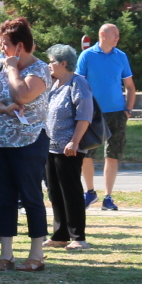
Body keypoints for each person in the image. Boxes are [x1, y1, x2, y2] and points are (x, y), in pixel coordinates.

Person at [0, 19, 50, 270]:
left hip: (29, 141)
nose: (1, 49)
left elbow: (22, 95)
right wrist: (3, 108)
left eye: (5, 45)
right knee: (2, 196)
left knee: (30, 196)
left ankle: (36, 255)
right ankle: (6, 254)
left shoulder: (40, 70)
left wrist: (13, 68)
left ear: (19, 47)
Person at [76, 23, 136, 211]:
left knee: (113, 155)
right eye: (115, 34)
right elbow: (78, 83)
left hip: (117, 113)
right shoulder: (87, 55)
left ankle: (108, 197)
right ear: (103, 34)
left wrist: (128, 109)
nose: (117, 38)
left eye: (118, 35)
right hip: (92, 113)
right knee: (86, 154)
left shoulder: (121, 56)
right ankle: (90, 192)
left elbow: (130, 86)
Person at [42, 43, 96, 249]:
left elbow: (85, 115)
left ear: (63, 63)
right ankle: (60, 234)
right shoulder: (54, 85)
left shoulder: (78, 83)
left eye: (52, 62)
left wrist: (74, 141)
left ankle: (78, 237)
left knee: (71, 191)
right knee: (54, 191)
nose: (49, 65)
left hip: (69, 148)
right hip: (52, 147)